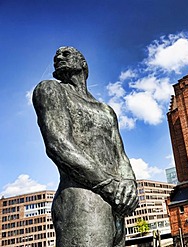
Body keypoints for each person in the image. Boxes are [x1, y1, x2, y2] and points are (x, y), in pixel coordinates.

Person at [33, 46, 138, 247]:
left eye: (66, 54)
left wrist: (130, 183)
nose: (58, 57)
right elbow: (58, 144)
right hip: (82, 199)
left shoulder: (106, 110)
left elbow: (120, 154)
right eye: (56, 55)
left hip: (115, 205)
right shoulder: (50, 89)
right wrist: (110, 186)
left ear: (83, 63)